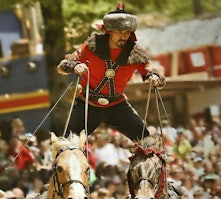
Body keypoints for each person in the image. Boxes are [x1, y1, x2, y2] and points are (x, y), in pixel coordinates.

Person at [57, 3, 165, 141]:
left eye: (127, 32)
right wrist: (74, 66)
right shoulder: (92, 46)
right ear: (109, 31)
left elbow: (150, 72)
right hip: (87, 104)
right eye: (120, 31)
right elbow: (63, 66)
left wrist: (154, 78)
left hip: (118, 106)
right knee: (67, 144)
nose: (124, 36)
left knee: (146, 142)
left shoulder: (135, 53)